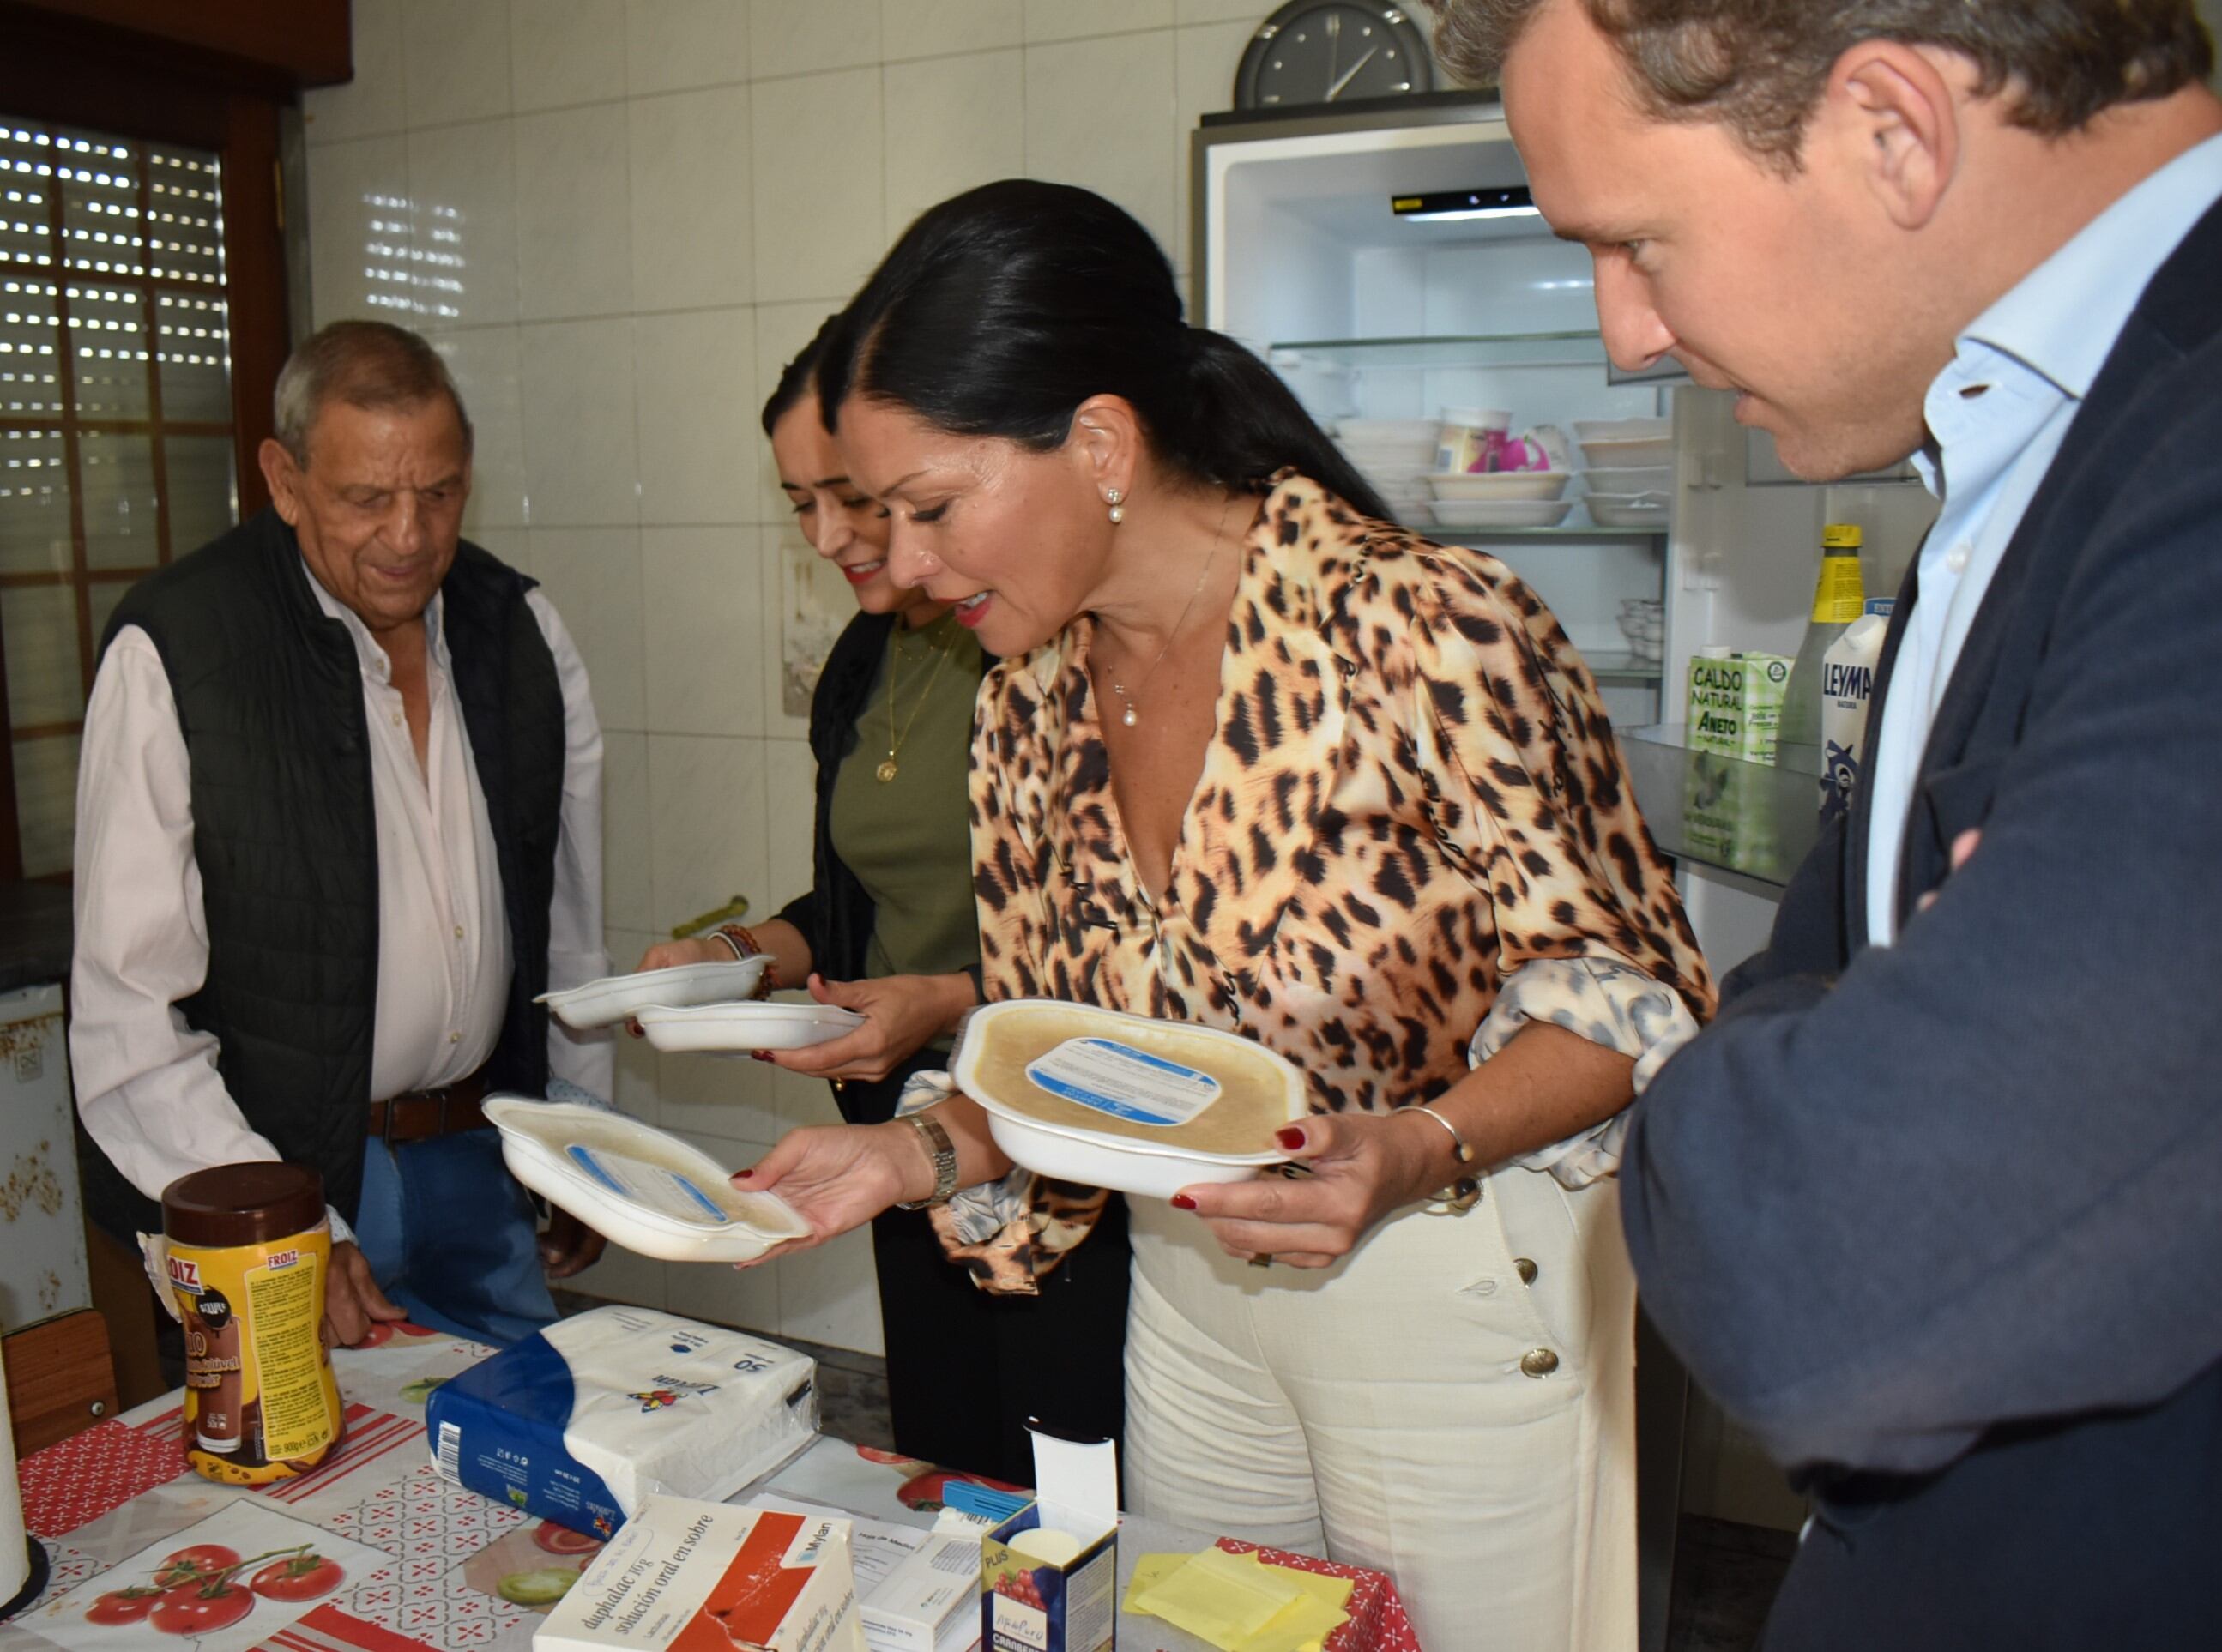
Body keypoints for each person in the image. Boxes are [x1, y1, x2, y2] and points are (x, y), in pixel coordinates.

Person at [737, 179, 1715, 1649]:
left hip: (1444, 1295)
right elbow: (1071, 1052)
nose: (912, 566)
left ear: (1103, 442)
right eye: (889, 516)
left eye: (932, 508)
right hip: (1197, 1305)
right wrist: (912, 1149)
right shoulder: (1029, 709)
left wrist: (1411, 1145)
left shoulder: (1425, 629)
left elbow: (1630, 996)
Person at [1428, 0, 2222, 1643]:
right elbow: (1810, 961)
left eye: (1638, 241)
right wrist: (1885, 1012)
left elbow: (1829, 1266)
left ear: (1892, 129)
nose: (1626, 334)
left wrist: (1790, 1076)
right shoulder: (2016, 445)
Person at [629, 323, 1131, 1482]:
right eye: (801, 502)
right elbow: (864, 895)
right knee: (948, 1449)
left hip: (1057, 1120)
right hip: (901, 1119)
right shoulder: (866, 661)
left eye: (857, 495)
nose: (836, 538)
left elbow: (1132, 944)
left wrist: (946, 1002)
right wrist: (743, 953)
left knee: (1067, 1462)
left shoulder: (1045, 640)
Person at [71, 320, 613, 1349]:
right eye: (367, 499)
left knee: (516, 1474)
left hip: (478, 1155)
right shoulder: (182, 648)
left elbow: (568, 928)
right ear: (283, 481)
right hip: (289, 1177)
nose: (409, 536)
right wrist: (281, 1225)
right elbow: (125, 1009)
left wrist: (583, 1147)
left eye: (440, 493)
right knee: (314, 1498)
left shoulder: (518, 629)